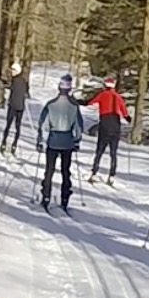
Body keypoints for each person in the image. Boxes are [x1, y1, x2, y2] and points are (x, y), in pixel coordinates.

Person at [36, 73, 84, 211]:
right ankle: (65, 197)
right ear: (69, 89)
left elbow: (43, 124)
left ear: (59, 87)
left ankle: (46, 196)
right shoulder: (74, 106)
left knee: (49, 170)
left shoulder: (51, 105)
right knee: (65, 171)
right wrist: (76, 141)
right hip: (67, 141)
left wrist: (40, 140)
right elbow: (78, 126)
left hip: (53, 140)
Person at [84, 75, 129, 185]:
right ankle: (111, 176)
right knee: (113, 153)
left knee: (100, 150)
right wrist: (128, 119)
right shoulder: (118, 97)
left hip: (104, 124)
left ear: (105, 86)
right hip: (115, 125)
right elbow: (124, 112)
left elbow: (90, 103)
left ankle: (94, 172)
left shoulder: (102, 94)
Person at [0, 60, 28, 154]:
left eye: (14, 70)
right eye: (12, 70)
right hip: (20, 107)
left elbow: (10, 85)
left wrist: (2, 84)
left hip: (14, 106)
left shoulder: (16, 80)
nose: (12, 72)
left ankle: (4, 143)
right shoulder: (23, 80)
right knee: (17, 127)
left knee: (8, 125)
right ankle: (14, 144)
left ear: (18, 71)